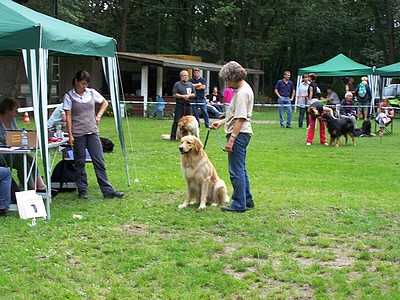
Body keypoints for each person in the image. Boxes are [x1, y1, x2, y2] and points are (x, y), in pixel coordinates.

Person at [63, 70, 124, 199]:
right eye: (82, 83)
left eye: (86, 84)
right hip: (78, 133)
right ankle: (82, 190)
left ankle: (107, 191)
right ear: (76, 81)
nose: (84, 86)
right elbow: (68, 117)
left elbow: (104, 102)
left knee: (99, 160)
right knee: (79, 162)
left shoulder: (91, 93)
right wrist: (70, 135)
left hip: (92, 132)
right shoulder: (69, 96)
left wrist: (99, 115)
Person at [209, 61, 254, 213]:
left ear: (232, 77)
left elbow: (240, 119)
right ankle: (247, 200)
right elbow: (235, 115)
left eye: (226, 80)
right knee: (241, 169)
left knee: (235, 171)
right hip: (243, 133)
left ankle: (239, 204)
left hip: (239, 134)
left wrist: (232, 140)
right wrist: (221, 122)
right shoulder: (244, 88)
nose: (226, 83)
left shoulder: (241, 93)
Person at [0, 98, 47, 191]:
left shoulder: (12, 120)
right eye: (15, 110)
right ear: (7, 109)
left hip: (13, 150)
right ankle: (32, 188)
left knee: (30, 159)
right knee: (23, 163)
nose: (16, 112)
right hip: (3, 153)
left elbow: (16, 135)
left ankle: (41, 185)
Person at [169, 70, 196, 141]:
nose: (186, 77)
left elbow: (194, 94)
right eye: (184, 75)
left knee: (190, 121)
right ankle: (173, 136)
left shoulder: (190, 84)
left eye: (187, 75)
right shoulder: (177, 84)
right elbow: (174, 94)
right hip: (180, 105)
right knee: (176, 121)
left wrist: (189, 96)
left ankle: (190, 136)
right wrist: (183, 96)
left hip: (188, 105)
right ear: (181, 76)